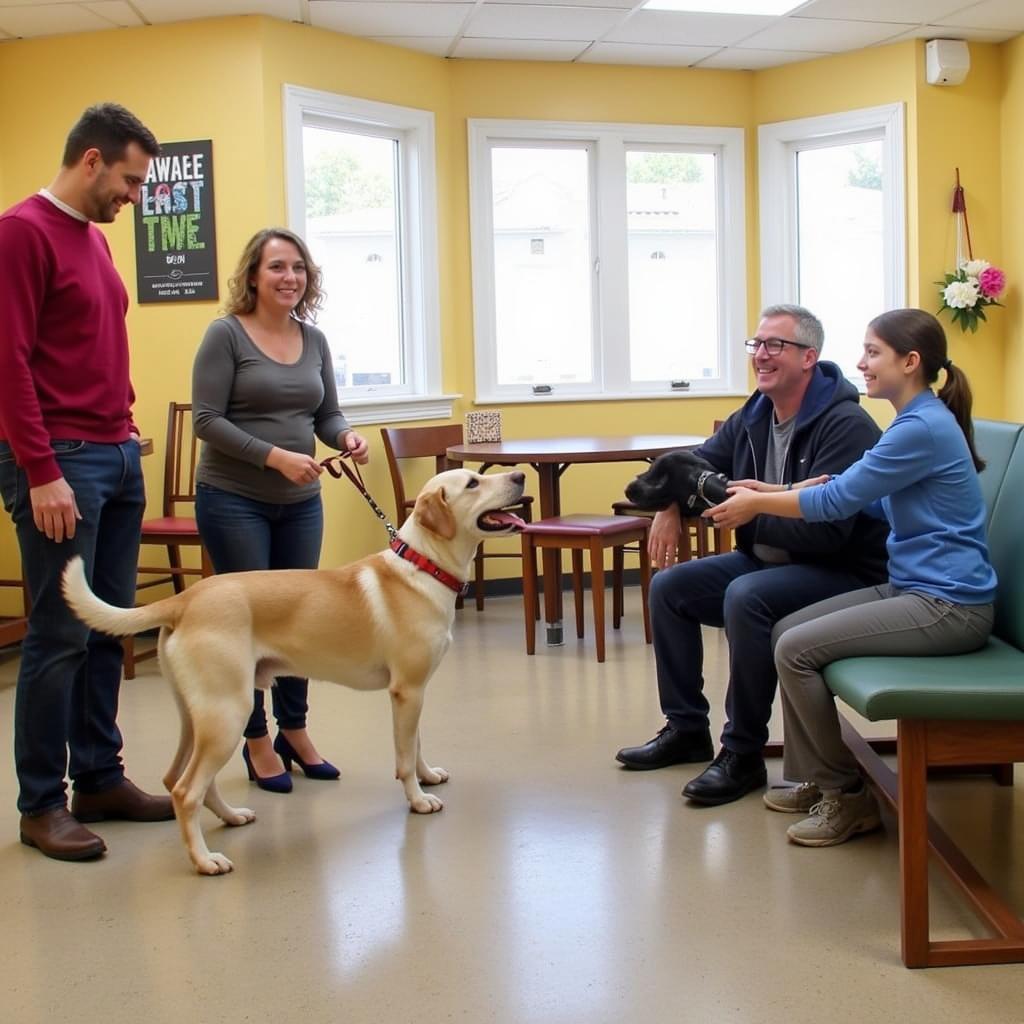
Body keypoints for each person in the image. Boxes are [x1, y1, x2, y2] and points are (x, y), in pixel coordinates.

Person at [708, 308, 996, 846]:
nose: (860, 363)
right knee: (784, 632)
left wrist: (757, 505)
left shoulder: (922, 427)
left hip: (949, 606)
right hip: (917, 589)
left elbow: (839, 500)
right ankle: (817, 776)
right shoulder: (916, 423)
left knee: (795, 649)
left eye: (873, 352)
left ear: (910, 363)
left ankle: (846, 795)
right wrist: (773, 492)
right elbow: (866, 494)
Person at [615, 304, 890, 806]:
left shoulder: (846, 424)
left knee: (747, 596)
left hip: (842, 572)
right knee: (669, 588)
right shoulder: (755, 413)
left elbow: (830, 532)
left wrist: (749, 512)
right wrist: (672, 504)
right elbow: (698, 463)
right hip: (770, 560)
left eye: (774, 346)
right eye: (756, 344)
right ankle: (686, 729)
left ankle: (742, 752)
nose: (760, 355)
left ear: (809, 357)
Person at [0, 103, 172, 861]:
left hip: (114, 453)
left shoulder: (94, 244)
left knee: (108, 628)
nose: (133, 197)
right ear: (93, 161)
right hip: (59, 464)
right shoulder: (21, 232)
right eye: (130, 181)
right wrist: (41, 471)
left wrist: (126, 425)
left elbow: (92, 345)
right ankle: (42, 803)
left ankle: (101, 776)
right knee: (59, 634)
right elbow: (8, 363)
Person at [192, 227, 369, 794]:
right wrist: (275, 458)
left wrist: (345, 438)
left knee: (300, 625)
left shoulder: (313, 340)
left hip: (301, 503)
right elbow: (206, 421)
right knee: (248, 627)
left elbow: (326, 415)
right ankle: (256, 740)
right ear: (252, 276)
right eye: (276, 267)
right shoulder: (225, 335)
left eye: (297, 267)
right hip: (232, 500)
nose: (289, 277)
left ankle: (296, 731)